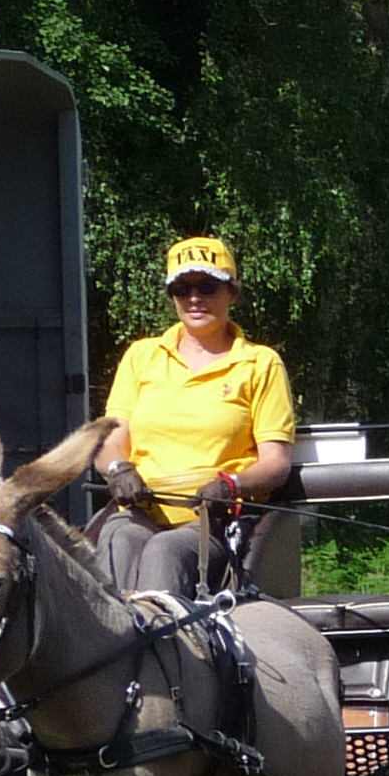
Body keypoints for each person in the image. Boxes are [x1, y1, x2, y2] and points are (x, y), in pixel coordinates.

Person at [95, 236, 303, 598]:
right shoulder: (141, 356)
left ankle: (166, 651)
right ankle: (108, 648)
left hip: (214, 521)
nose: (194, 298)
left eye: (207, 287)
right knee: (117, 537)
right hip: (144, 510)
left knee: (165, 551)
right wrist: (119, 470)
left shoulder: (260, 363)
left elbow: (276, 462)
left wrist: (232, 485)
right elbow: (110, 439)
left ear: (232, 294)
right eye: (182, 288)